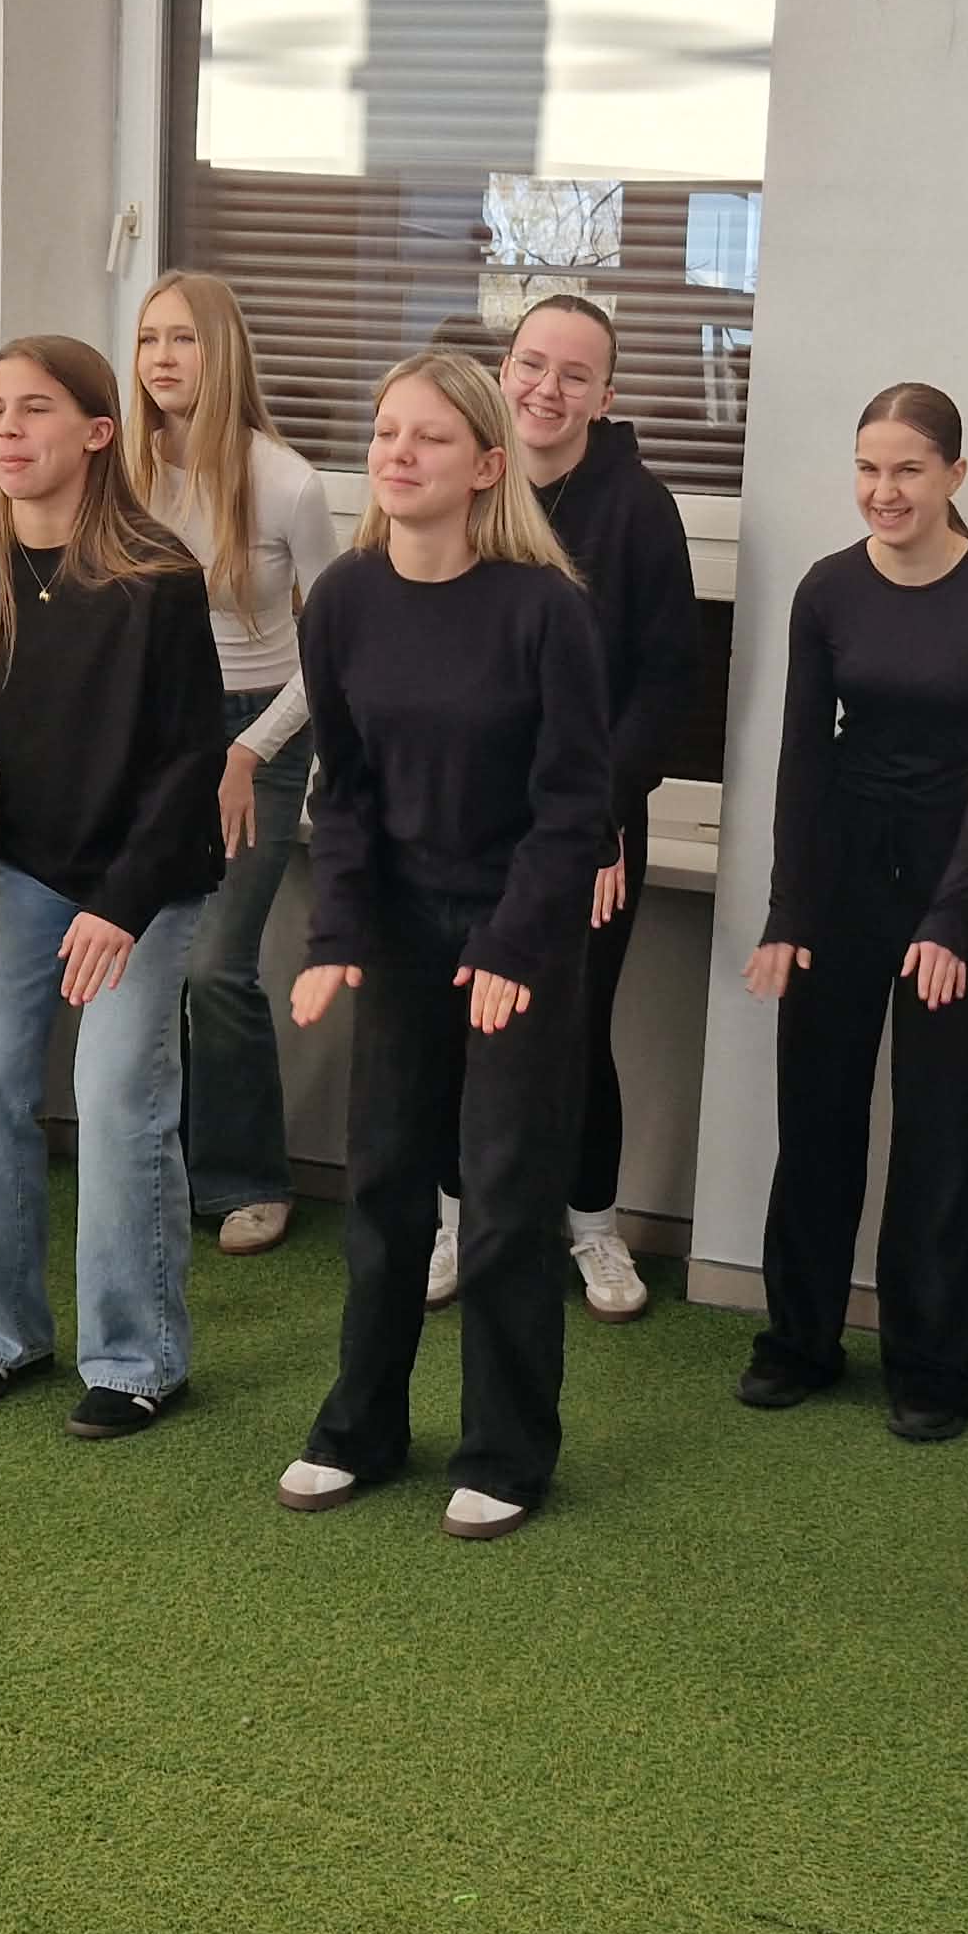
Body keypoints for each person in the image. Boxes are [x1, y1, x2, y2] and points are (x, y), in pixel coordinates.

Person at [278, 350, 614, 1540]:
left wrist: (515, 946)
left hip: (518, 933)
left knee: (509, 1200)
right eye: (385, 432)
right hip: (402, 929)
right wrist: (336, 933)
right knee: (382, 1183)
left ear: (484, 465)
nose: (398, 453)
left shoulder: (546, 610)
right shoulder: (344, 601)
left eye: (427, 437)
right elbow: (345, 791)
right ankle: (359, 1429)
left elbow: (575, 806)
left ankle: (507, 1452)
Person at [0, 337, 229, 1437]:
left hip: (147, 878)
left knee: (117, 1093)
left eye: (35, 408)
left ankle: (136, 1358)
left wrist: (121, 907)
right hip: (30, 867)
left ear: (96, 432)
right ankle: (0, 1333)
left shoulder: (156, 575)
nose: (8, 429)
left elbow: (190, 760)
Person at [736, 385, 968, 1443]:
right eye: (867, 468)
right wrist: (786, 913)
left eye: (906, 470)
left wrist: (951, 916)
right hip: (844, 874)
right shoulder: (828, 589)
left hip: (962, 881)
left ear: (954, 475)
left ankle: (933, 1361)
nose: (883, 491)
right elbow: (803, 759)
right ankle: (799, 1341)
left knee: (944, 1129)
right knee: (816, 1114)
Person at [426, 290, 692, 1321]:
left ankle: (593, 1228)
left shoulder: (640, 510)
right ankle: (457, 1221)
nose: (547, 388)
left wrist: (600, 819)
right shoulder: (467, 486)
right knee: (458, 1022)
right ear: (504, 370)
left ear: (604, 396)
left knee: (574, 1030)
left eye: (575, 375)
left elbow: (665, 687)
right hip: (466, 822)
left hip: (593, 831)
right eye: (533, 364)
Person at [122, 269, 341, 1259]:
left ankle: (249, 1178)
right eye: (148, 339)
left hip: (264, 729)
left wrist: (249, 751)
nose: (162, 359)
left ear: (224, 354)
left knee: (215, 967)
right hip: (156, 734)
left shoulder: (285, 480)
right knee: (146, 958)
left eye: (184, 339)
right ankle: (153, 1166)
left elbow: (335, 650)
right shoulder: (120, 470)